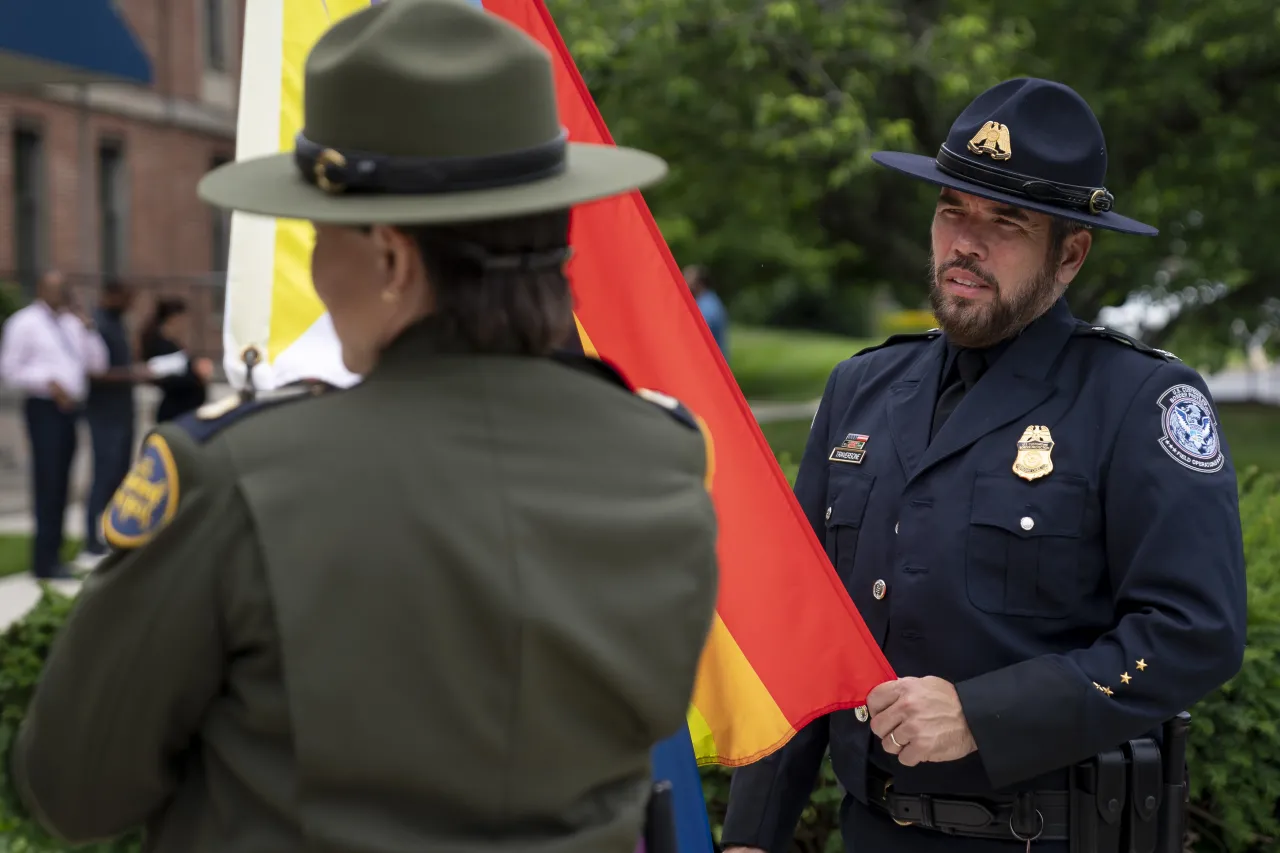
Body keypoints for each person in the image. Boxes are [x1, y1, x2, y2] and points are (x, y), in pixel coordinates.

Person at [8, 2, 719, 853]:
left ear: (390, 258)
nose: (313, 263)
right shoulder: (662, 458)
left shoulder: (238, 476)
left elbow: (73, 787)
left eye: (317, 231)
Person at [720, 78, 1247, 853]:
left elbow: (1195, 630)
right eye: (951, 210)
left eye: (1006, 220)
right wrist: (752, 836)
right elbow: (805, 625)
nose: (966, 241)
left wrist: (982, 713)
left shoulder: (1136, 400)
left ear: (1069, 253)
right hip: (872, 834)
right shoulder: (861, 389)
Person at [0, 270, 108, 579]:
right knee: (47, 481)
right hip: (44, 408)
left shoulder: (72, 325)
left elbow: (97, 364)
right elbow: (9, 371)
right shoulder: (24, 324)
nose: (61, 294)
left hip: (71, 410)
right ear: (41, 289)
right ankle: (44, 560)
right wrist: (48, 384)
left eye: (65, 288)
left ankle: (57, 554)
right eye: (56, 288)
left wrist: (88, 329)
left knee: (62, 482)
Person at [77, 279, 145, 571]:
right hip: (104, 412)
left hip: (123, 410)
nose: (131, 304)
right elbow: (94, 371)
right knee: (103, 472)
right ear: (112, 295)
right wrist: (133, 374)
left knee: (119, 474)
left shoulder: (118, 323)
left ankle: (113, 532)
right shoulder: (97, 324)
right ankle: (91, 536)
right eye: (127, 297)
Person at [140, 297, 212, 422]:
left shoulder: (174, 344)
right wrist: (196, 374)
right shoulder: (161, 346)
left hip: (185, 409)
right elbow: (165, 377)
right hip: (175, 411)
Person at [684, 264, 729, 358]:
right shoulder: (707, 301)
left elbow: (694, 337)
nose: (684, 282)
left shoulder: (707, 307)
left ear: (699, 283)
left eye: (687, 278)